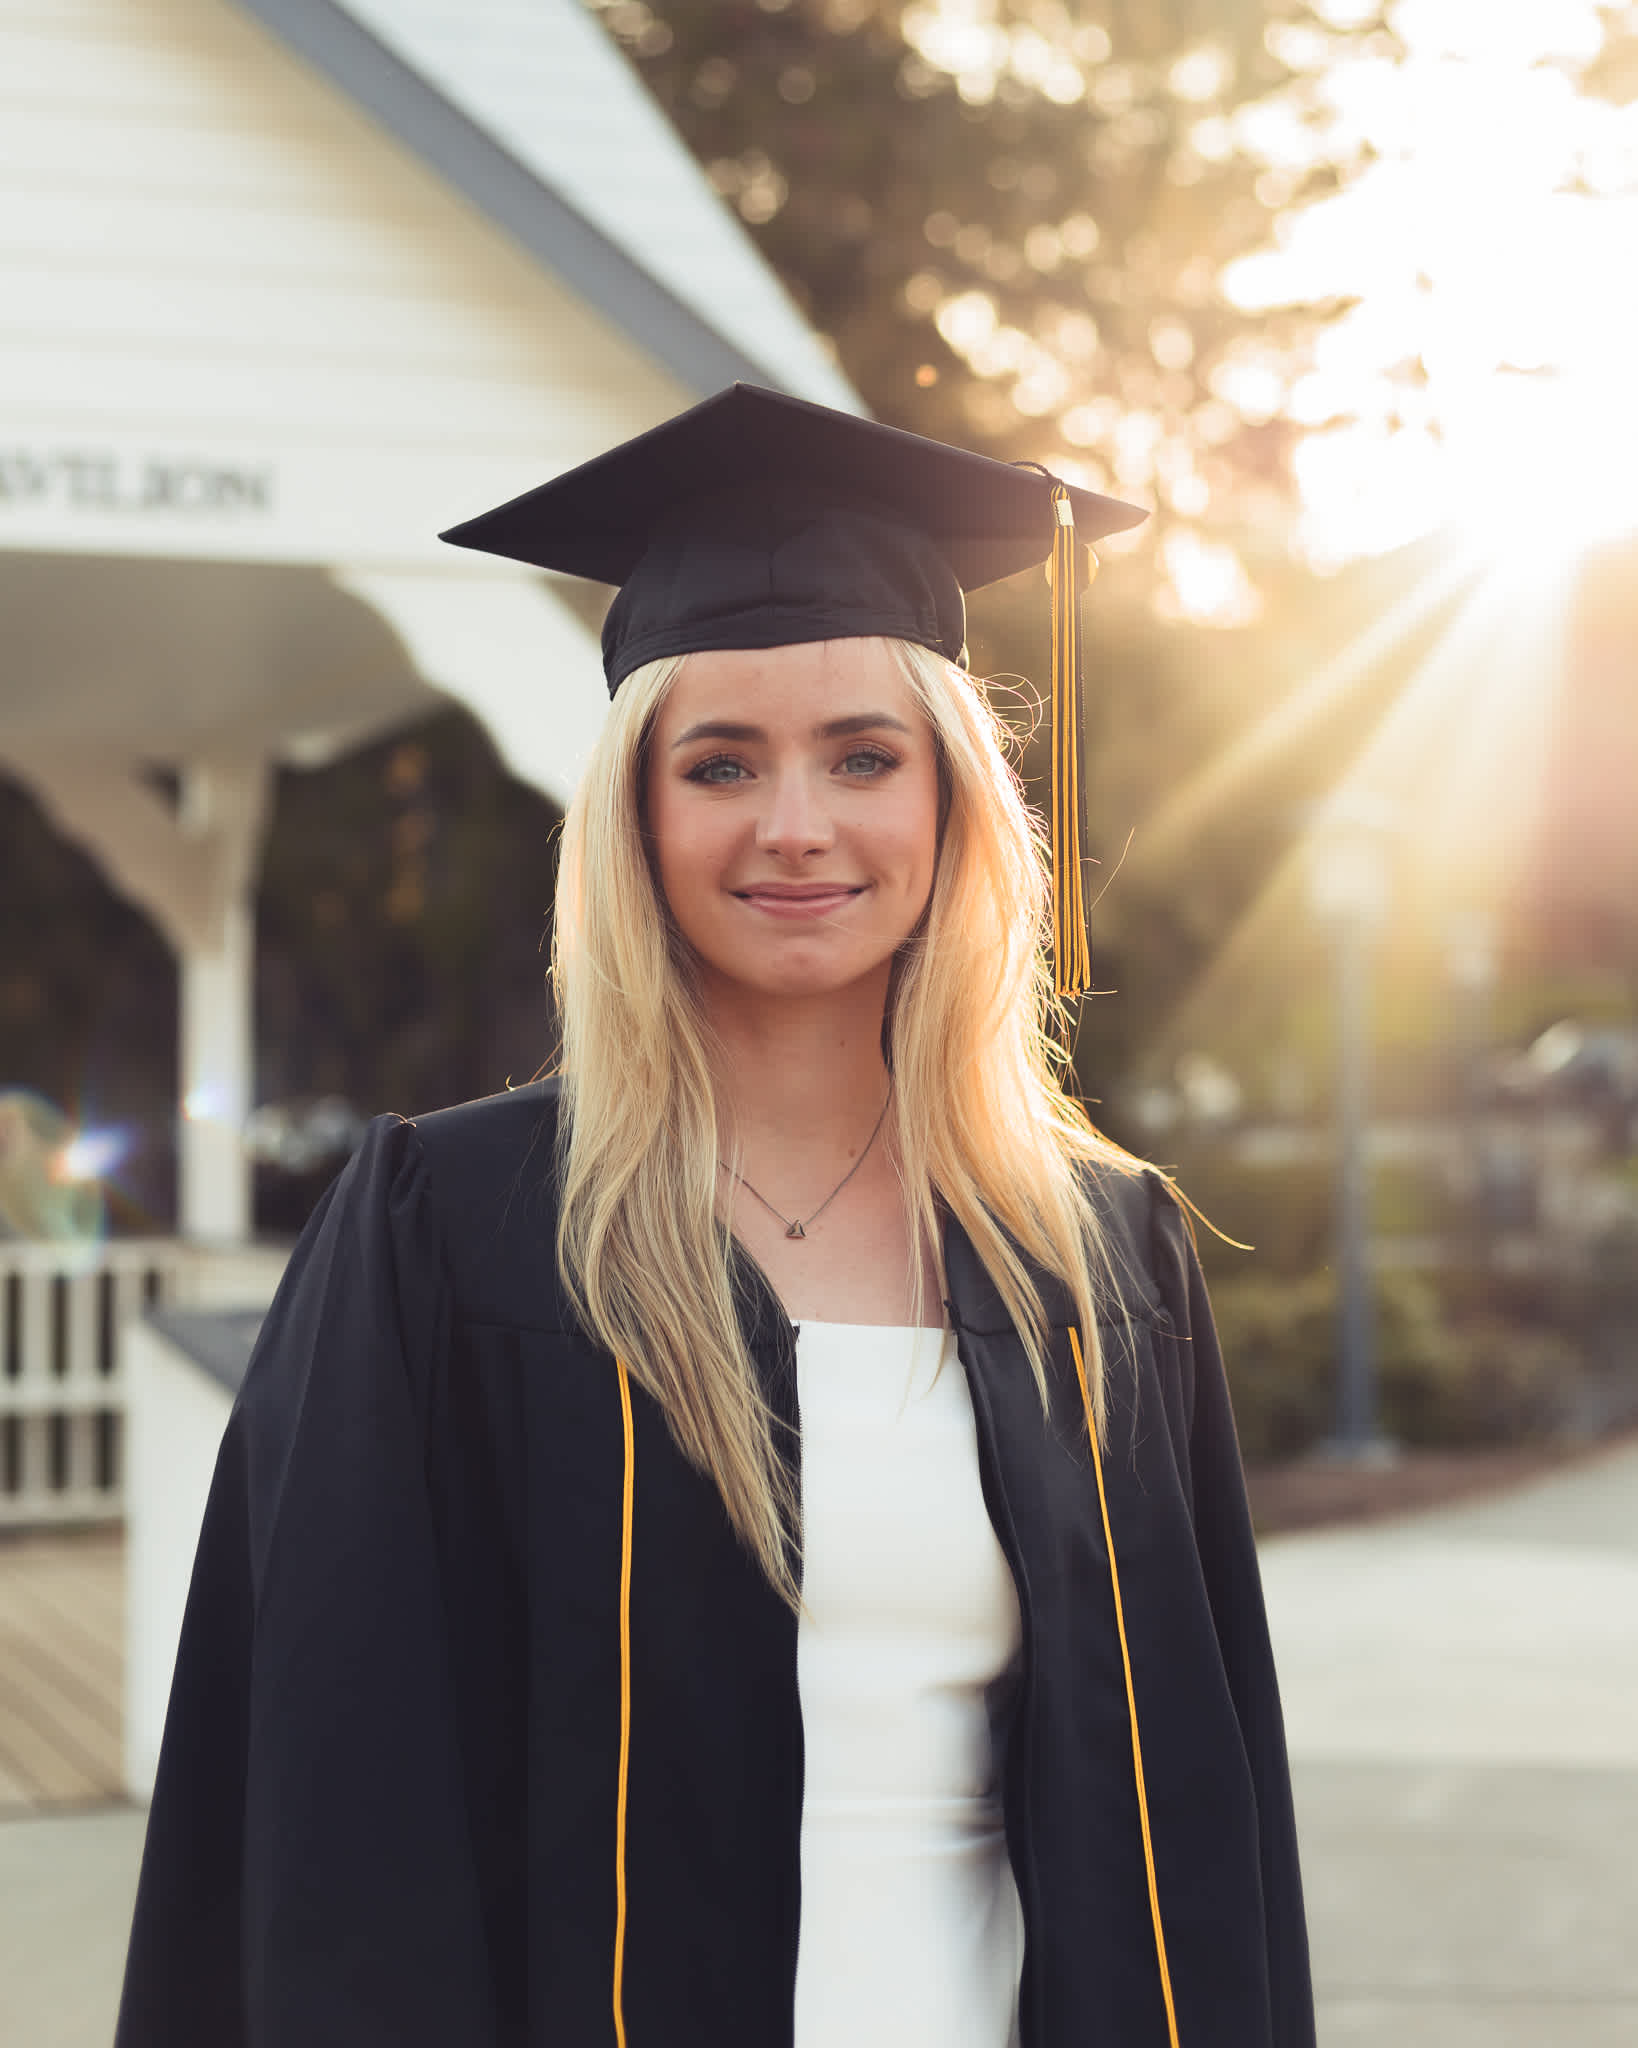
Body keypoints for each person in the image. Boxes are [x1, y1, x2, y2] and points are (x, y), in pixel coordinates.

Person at [116, 386, 1314, 2048]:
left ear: (955, 807)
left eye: (863, 757)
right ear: (637, 817)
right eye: (721, 763)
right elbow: (333, 1805)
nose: (795, 824)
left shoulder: (1099, 1256)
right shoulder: (450, 1233)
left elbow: (1208, 1808)